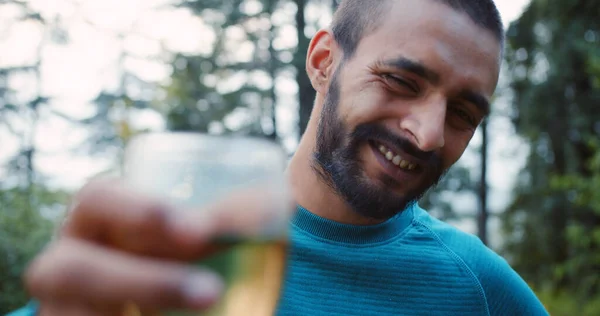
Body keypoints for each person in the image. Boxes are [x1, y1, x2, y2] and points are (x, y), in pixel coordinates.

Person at [10, 0, 549, 315]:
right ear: (322, 62)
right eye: (400, 80)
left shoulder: (478, 288)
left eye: (463, 114)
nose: (429, 134)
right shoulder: (172, 248)